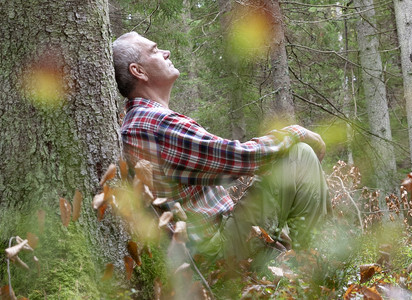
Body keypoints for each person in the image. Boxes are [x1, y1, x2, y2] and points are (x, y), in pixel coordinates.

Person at [112, 31, 329, 260]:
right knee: (300, 156)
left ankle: (297, 263)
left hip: (211, 245)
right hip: (217, 252)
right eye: (155, 51)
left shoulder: (141, 121)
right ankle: (318, 267)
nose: (166, 52)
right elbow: (240, 158)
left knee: (286, 164)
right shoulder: (153, 124)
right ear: (138, 71)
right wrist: (298, 132)